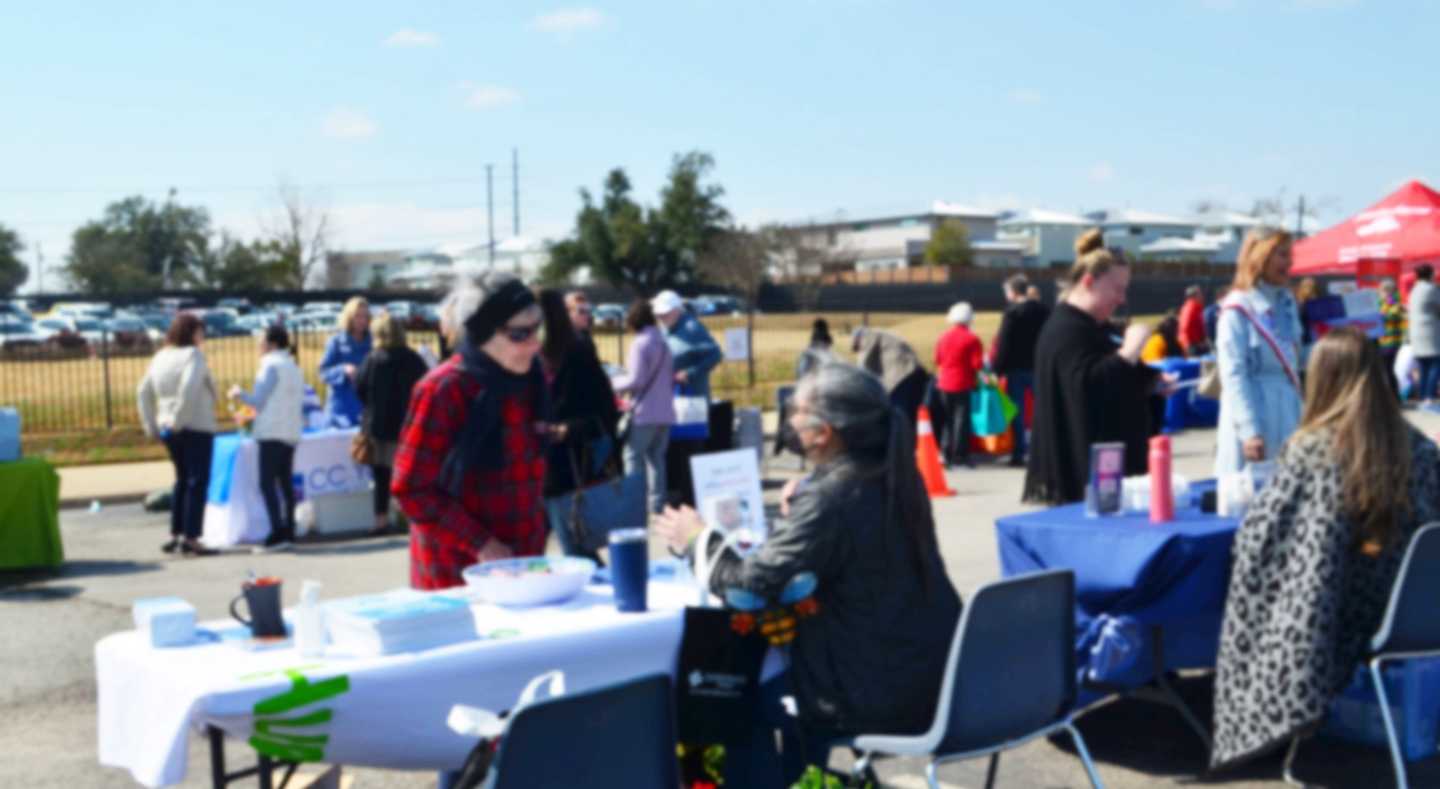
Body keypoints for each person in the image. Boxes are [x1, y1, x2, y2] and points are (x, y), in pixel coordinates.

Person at [654, 362, 961, 785]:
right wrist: (809, 503)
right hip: (928, 672)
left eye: (796, 409)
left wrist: (696, 539)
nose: (789, 418)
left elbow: (746, 585)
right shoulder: (891, 472)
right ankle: (806, 776)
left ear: (823, 431)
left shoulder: (834, 495)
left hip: (872, 690)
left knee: (731, 699)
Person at [1210, 328, 1440, 773]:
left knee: (1248, 588)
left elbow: (1266, 545)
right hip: (1419, 611)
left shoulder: (1314, 452)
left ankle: (1255, 712)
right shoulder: (1422, 449)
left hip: (1350, 613)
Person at [392, 272, 551, 590]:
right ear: (482, 334)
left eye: (538, 330)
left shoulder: (529, 379)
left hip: (523, 570)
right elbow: (410, 489)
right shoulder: (443, 389)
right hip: (454, 576)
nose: (534, 344)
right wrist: (481, 543)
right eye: (520, 334)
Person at [1023, 229, 1163, 505]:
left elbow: (1114, 376)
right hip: (1081, 482)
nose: (1122, 299)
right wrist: (1130, 350)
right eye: (1117, 289)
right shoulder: (1066, 329)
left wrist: (1151, 380)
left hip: (1109, 473)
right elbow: (1088, 386)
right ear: (1089, 282)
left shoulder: (1092, 326)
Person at [538, 289, 621, 560]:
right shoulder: (523, 356)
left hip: (569, 462)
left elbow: (605, 409)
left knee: (576, 548)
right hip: (533, 465)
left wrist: (567, 430)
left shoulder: (577, 351)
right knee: (533, 551)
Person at [1214, 227, 1303, 477]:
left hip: (1288, 411)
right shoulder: (1237, 309)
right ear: (1260, 257)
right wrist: (1249, 430)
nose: (1289, 263)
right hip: (1255, 412)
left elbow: (1296, 360)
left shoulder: (1287, 303)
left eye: (1289, 255)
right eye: (1282, 255)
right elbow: (1234, 374)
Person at [136, 313, 219, 556]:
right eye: (200, 332)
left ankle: (176, 532)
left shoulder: (160, 356)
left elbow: (143, 391)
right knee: (197, 481)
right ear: (190, 333)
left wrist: (151, 424)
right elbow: (190, 388)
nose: (202, 337)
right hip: (194, 424)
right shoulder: (193, 356)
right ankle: (192, 537)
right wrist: (180, 420)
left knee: (181, 480)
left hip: (167, 425)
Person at [229, 325, 304, 552]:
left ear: (271, 344)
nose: (258, 345)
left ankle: (277, 531)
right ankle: (288, 529)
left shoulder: (270, 365)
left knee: (267, 483)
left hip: (272, 431)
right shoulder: (292, 366)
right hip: (290, 431)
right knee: (285, 483)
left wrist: (238, 393)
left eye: (261, 341)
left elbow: (257, 401)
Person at [356, 312, 429, 536]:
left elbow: (359, 388)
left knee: (381, 476)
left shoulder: (372, 359)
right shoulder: (414, 359)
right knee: (407, 476)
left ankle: (381, 520)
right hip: (407, 426)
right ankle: (408, 519)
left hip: (378, 426)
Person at [610, 300, 676, 515]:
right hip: (665, 412)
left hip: (644, 412)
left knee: (632, 457)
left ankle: (634, 504)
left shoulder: (640, 344)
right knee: (657, 460)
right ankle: (657, 505)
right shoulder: (664, 343)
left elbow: (636, 380)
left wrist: (612, 383)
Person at [992, 274, 1050, 467]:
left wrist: (997, 369)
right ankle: (1045, 449)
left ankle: (1019, 452)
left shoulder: (1012, 313)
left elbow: (1004, 343)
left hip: (1015, 368)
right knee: (1043, 410)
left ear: (1013, 292)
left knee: (1017, 411)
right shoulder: (1044, 310)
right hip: (1038, 366)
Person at [934, 302, 983, 468]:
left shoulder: (943, 337)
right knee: (961, 420)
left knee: (947, 419)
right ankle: (960, 455)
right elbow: (977, 364)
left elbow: (938, 360)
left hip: (944, 382)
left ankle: (945, 452)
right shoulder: (972, 338)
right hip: (963, 382)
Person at [651, 290, 722, 399]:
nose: (661, 317)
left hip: (692, 397)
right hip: (668, 396)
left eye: (665, 313)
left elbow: (715, 355)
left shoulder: (692, 329)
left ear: (677, 310)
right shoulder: (663, 329)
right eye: (658, 314)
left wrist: (689, 373)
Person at [852, 327, 930, 428]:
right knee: (912, 412)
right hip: (916, 371)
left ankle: (902, 439)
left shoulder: (869, 335)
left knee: (899, 412)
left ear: (858, 338)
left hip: (902, 375)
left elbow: (864, 364)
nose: (859, 349)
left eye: (858, 346)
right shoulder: (886, 335)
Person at [318, 297, 372, 429]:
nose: (362, 320)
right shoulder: (336, 341)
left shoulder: (373, 343)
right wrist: (344, 369)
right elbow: (322, 372)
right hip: (340, 411)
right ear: (349, 317)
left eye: (365, 316)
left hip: (366, 411)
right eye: (358, 316)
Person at [1407, 264, 1440, 407]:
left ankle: (1422, 395)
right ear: (1430, 274)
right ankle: (1429, 395)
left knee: (1423, 365)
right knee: (1434, 363)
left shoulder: (1414, 289)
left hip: (1416, 332)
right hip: (1429, 331)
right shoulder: (1431, 289)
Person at [1378, 278, 1406, 396]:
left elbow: (1392, 317)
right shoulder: (1383, 303)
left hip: (1391, 343)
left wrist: (1378, 316)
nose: (1380, 293)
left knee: (1388, 370)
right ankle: (1391, 397)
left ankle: (1394, 397)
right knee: (1385, 371)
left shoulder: (1395, 304)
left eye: (1382, 291)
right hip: (1382, 342)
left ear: (1389, 291)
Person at [1177, 285, 1207, 356]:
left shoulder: (1187, 306)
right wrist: (1196, 342)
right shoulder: (1193, 307)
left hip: (1189, 343)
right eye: (1200, 294)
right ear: (1195, 295)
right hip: (1192, 345)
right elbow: (1186, 327)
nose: (1202, 296)